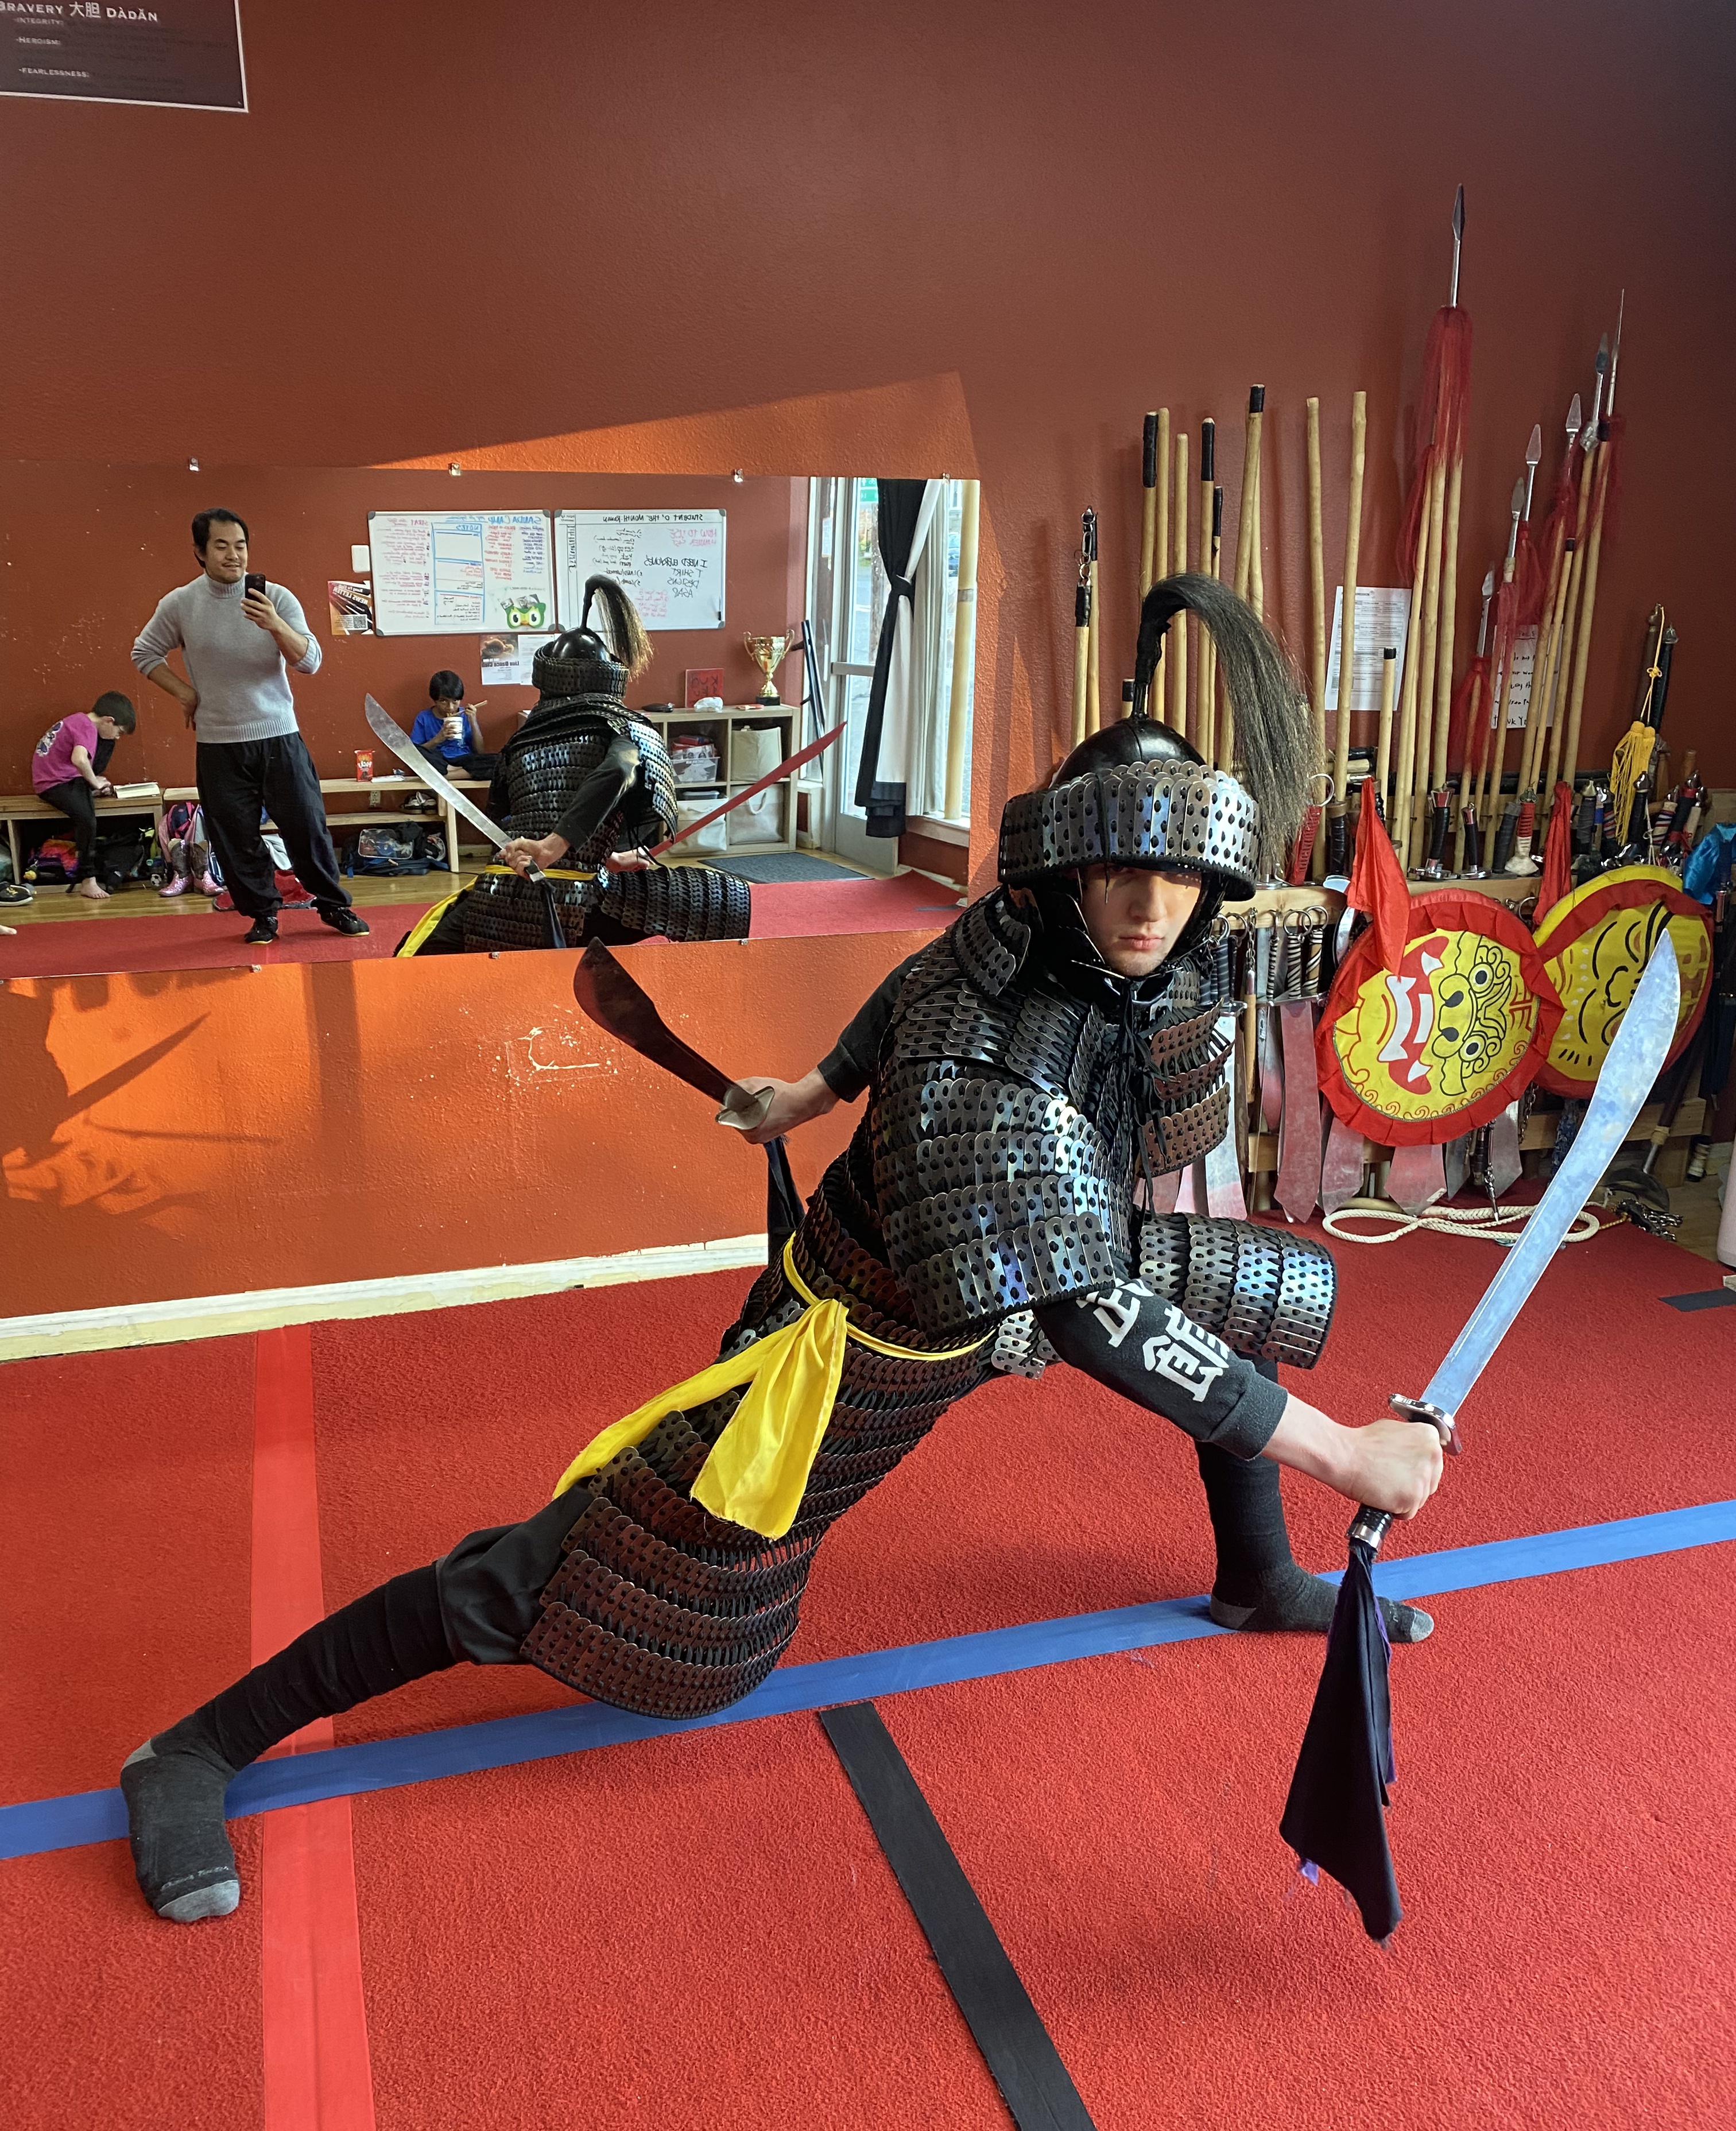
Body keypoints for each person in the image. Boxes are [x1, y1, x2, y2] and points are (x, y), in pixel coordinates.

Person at [121, 572, 1443, 1924]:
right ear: (1066, 871)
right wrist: (1343, 1455)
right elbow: (1089, 1307)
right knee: (577, 1576)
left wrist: (806, 1095)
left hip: (993, 1289)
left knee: (1233, 1294)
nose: (1150, 905)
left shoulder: (1060, 951)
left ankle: (1256, 1575)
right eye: (1118, 872)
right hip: (850, 1347)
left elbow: (908, 993)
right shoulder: (991, 1046)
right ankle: (197, 1748)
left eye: (1178, 875)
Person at [398, 575, 749, 955]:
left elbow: (517, 819)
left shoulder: (521, 739)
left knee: (415, 955)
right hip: (585, 896)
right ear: (608, 678)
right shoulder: (626, 729)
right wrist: (554, 847)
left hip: (501, 896)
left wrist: (602, 856)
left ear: (548, 680)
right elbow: (617, 770)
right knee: (724, 898)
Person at [130, 507, 369, 947]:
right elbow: (144, 653)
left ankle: (333, 904)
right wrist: (185, 693)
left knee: (308, 828)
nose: (233, 555)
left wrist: (274, 624)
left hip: (279, 737)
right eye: (221, 546)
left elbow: (310, 662)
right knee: (235, 838)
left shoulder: (276, 597)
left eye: (240, 546)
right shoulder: (181, 603)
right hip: (218, 743)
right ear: (200, 552)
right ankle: (263, 915)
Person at [29, 691, 136, 902]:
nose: (118, 736)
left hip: (60, 778)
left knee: (107, 743)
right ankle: (88, 878)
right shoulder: (87, 726)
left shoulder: (79, 721)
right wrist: (94, 782)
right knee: (87, 820)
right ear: (109, 720)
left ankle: (91, 785)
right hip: (53, 783)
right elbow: (79, 759)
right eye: (119, 732)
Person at [409, 672, 498, 781]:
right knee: (413, 752)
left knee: (498, 761)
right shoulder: (424, 717)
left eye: (455, 701)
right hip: (439, 759)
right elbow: (415, 753)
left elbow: (480, 751)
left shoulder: (466, 714)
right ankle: (458, 771)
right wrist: (438, 739)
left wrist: (473, 721)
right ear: (435, 700)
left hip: (464, 759)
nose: (450, 708)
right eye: (443, 701)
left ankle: (446, 775)